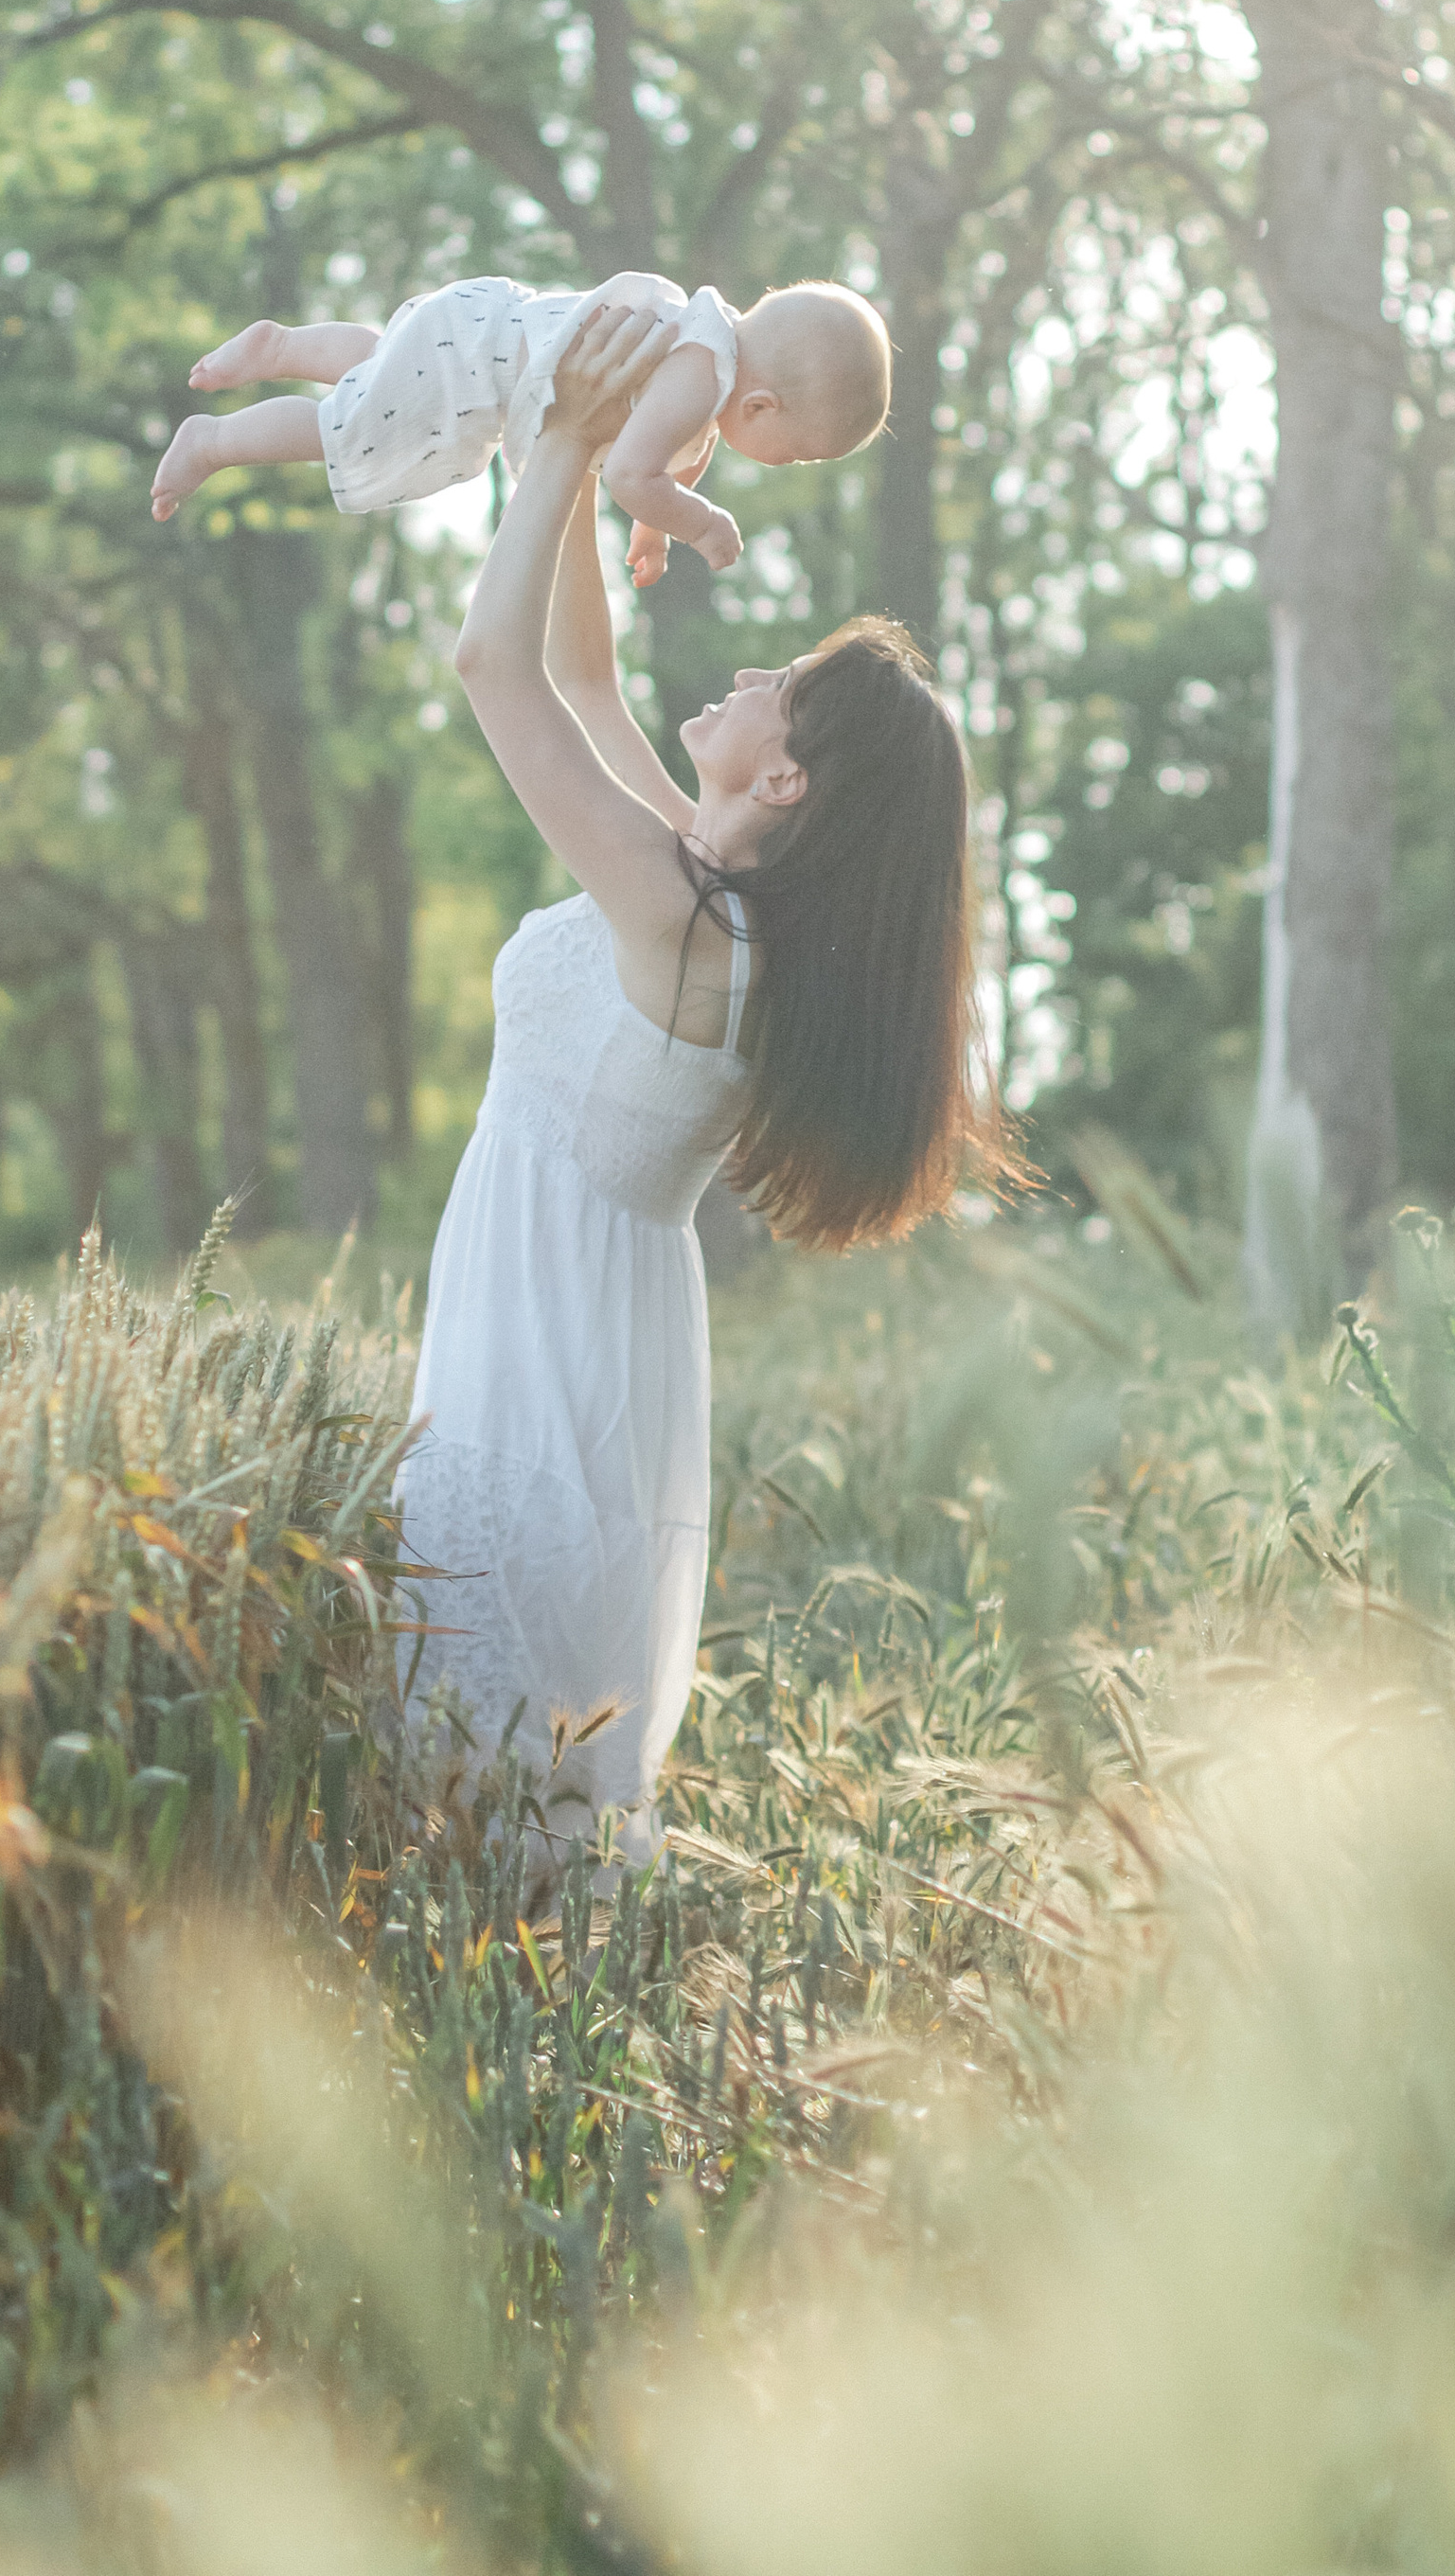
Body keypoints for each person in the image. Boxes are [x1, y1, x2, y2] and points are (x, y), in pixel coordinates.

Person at [393, 294, 996, 1885]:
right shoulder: (705, 903)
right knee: (486, 1810)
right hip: (553, 1339)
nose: (735, 668)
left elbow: (493, 664)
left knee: (479, 1817)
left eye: (773, 683)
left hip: (544, 1381)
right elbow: (583, 678)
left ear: (783, 778)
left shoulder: (687, 929)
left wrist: (572, 456)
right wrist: (574, 451)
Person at [149, 267, 890, 586]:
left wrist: (652, 529)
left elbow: (663, 467)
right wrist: (699, 525)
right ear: (762, 407)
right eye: (790, 459)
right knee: (345, 431)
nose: (776, 467)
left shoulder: (708, 354)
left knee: (382, 369)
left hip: (478, 325)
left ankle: (283, 347)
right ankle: (214, 443)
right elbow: (635, 475)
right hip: (479, 369)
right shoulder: (700, 376)